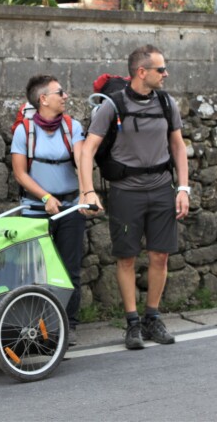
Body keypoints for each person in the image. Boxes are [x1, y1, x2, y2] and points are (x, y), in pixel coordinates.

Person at [80, 45, 190, 350]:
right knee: (126, 257)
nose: (166, 74)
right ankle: (132, 323)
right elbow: (87, 149)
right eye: (161, 69)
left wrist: (183, 188)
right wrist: (88, 190)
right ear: (141, 72)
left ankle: (152, 317)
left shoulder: (167, 103)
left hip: (161, 189)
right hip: (125, 192)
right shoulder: (111, 106)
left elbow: (178, 147)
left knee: (160, 255)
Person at [11, 74, 86, 346]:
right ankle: (36, 327)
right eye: (60, 92)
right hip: (35, 207)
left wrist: (87, 193)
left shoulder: (72, 127)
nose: (65, 96)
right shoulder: (25, 131)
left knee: (69, 268)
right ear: (43, 99)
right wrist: (45, 197)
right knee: (35, 271)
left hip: (70, 207)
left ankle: (67, 326)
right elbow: (20, 174)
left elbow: (82, 160)